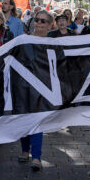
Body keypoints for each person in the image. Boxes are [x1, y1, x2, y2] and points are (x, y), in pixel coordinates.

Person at [18, 10, 53, 171]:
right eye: (37, 20)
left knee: (37, 121)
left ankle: (37, 157)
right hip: (24, 86)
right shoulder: (23, 41)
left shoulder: (54, 43)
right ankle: (25, 150)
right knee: (24, 120)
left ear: (49, 25)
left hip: (43, 89)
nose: (39, 23)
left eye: (43, 21)